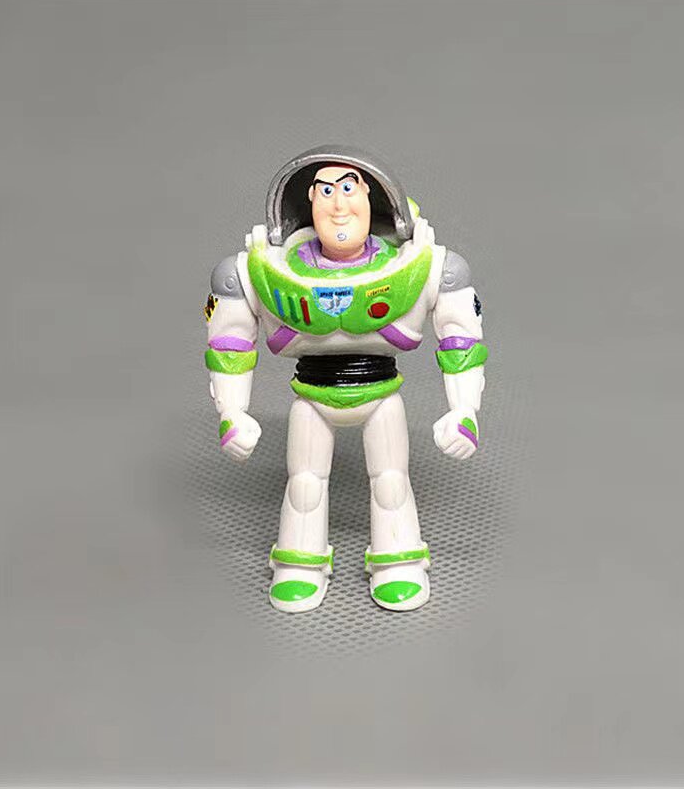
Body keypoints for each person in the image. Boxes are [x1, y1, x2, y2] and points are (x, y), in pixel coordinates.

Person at [204, 145, 487, 612]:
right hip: (312, 394)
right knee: (304, 484)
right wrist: (232, 412)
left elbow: (460, 339)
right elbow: (229, 343)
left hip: (380, 392)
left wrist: (464, 410)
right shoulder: (261, 272)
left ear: (374, 198)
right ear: (306, 202)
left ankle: (398, 559)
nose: (339, 205)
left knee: (391, 482)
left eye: (350, 189)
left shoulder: (422, 267)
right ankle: (300, 563)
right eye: (326, 191)